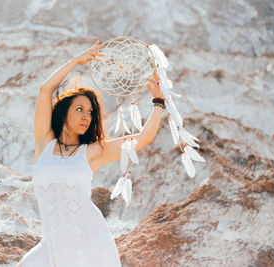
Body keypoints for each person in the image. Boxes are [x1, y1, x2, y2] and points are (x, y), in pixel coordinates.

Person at [16, 40, 165, 267]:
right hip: (52, 245)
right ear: (63, 113)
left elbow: (143, 139)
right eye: (79, 109)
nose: (86, 116)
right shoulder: (44, 143)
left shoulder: (92, 152)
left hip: (89, 243)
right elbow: (45, 89)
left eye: (90, 112)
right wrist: (77, 60)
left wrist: (159, 101)